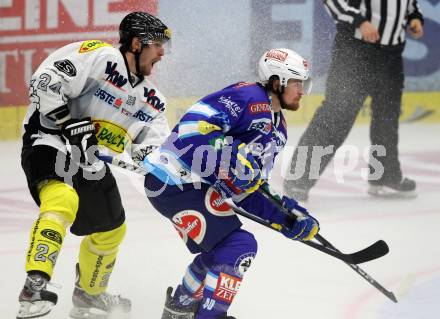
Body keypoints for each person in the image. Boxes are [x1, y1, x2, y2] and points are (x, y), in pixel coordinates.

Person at [142, 48, 320, 318]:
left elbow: (249, 188)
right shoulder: (246, 97)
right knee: (239, 246)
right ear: (277, 82)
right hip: (174, 180)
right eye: (297, 83)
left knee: (221, 251)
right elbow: (190, 130)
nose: (302, 90)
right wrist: (227, 154)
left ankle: (178, 307)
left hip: (195, 187)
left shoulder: (279, 131)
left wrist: (287, 216)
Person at [17, 12, 172, 319]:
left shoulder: (152, 101)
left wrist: (160, 163)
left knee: (111, 229)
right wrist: (69, 123)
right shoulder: (99, 57)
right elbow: (44, 82)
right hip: (48, 139)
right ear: (137, 43)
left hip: (90, 161)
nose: (162, 52)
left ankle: (89, 295)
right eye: (157, 45)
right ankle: (34, 286)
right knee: (62, 199)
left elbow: (154, 147)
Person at [283, 0, 424, 201]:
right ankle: (298, 180)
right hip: (355, 50)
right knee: (337, 115)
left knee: (387, 118)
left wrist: (414, 17)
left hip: (392, 54)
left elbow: (410, 4)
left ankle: (385, 176)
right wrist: (360, 21)